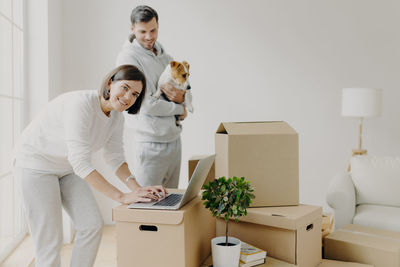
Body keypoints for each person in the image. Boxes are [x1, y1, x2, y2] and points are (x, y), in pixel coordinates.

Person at [13, 65, 166, 267]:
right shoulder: (81, 104)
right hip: (35, 165)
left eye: (135, 94)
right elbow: (81, 162)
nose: (128, 97)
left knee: (91, 225)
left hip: (66, 168)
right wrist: (121, 197)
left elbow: (115, 157)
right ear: (110, 83)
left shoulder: (116, 117)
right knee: (49, 240)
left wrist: (138, 189)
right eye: (125, 87)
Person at [116, 5, 186, 188]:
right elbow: (146, 104)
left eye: (153, 30)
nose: (149, 36)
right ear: (132, 29)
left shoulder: (166, 58)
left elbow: (182, 88)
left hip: (174, 140)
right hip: (150, 144)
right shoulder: (128, 58)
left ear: (158, 26)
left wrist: (182, 99)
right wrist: (180, 108)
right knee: (146, 206)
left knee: (171, 205)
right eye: (142, 31)